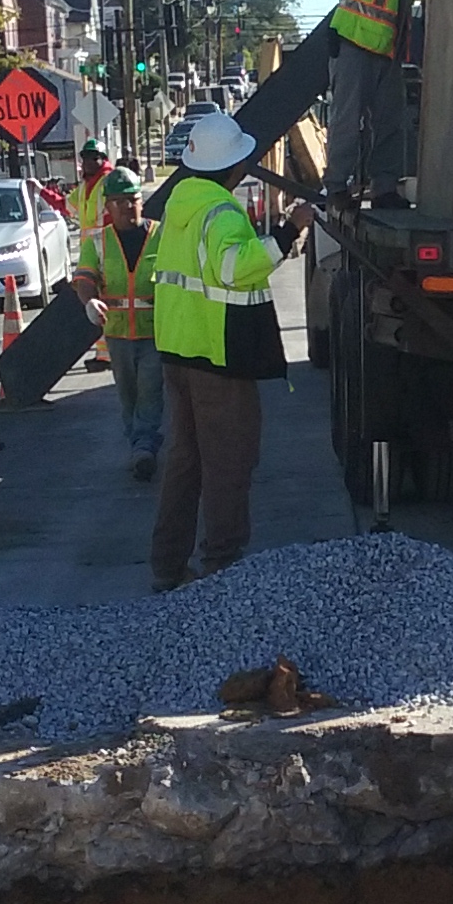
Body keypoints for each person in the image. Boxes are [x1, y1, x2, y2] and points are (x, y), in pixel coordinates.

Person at [150, 108, 312, 591]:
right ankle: (222, 569)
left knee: (186, 461)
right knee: (229, 461)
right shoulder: (219, 212)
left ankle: (167, 567)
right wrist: (288, 232)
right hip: (218, 357)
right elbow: (235, 268)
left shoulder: (180, 204)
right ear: (232, 168)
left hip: (181, 352)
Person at [325, 0, 429, 211]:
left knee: (390, 122)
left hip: (387, 53)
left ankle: (384, 189)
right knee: (346, 119)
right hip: (355, 45)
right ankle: (338, 187)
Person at [73, 167, 164, 481]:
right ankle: (138, 443)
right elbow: (84, 277)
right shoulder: (99, 242)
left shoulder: (161, 235)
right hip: (118, 334)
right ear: (108, 207)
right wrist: (90, 301)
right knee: (128, 395)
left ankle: (144, 447)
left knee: (151, 390)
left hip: (156, 331)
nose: (129, 207)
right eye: (120, 201)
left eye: (134, 199)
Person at [70, 137, 111, 254]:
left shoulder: (109, 181)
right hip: (88, 249)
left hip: (107, 248)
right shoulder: (84, 185)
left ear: (104, 160)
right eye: (85, 158)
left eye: (94, 157)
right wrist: (41, 191)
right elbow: (66, 205)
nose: (88, 162)